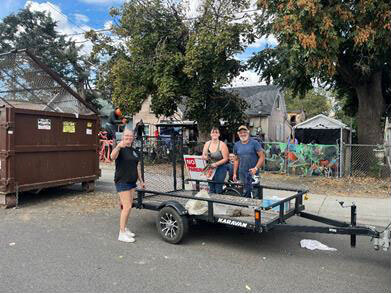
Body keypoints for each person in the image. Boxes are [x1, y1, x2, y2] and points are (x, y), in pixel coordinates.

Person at [110, 128, 145, 243]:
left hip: (132, 182)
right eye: (126, 136)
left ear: (133, 137)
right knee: (127, 206)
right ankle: (121, 233)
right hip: (122, 181)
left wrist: (141, 181)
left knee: (128, 207)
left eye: (131, 136)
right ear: (123, 137)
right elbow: (112, 157)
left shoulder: (134, 151)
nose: (129, 138)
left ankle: (124, 228)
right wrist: (118, 146)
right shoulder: (120, 148)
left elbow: (136, 167)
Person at [233, 125, 265, 198]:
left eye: (244, 132)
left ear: (248, 132)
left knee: (256, 194)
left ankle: (257, 209)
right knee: (244, 194)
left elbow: (262, 156)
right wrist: (234, 173)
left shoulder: (255, 143)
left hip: (253, 173)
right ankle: (245, 209)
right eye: (241, 133)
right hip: (242, 173)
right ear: (238, 134)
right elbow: (236, 159)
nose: (243, 134)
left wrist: (255, 168)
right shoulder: (236, 145)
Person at [201, 127, 229, 194]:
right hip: (210, 168)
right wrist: (205, 157)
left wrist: (216, 164)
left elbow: (226, 158)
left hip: (220, 168)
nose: (214, 134)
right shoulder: (207, 144)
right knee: (211, 187)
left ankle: (218, 203)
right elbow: (203, 155)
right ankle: (211, 204)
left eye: (216, 132)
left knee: (218, 188)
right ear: (210, 134)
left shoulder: (222, 145)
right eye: (213, 132)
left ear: (219, 134)